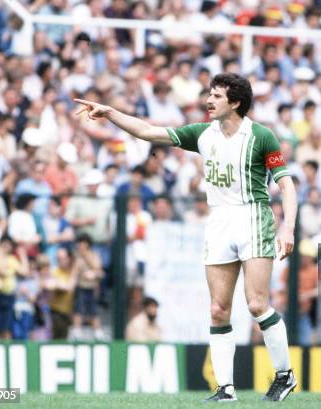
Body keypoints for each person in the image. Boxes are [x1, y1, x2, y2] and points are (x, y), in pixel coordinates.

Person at [75, 72, 298, 402]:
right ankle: (225, 389)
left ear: (235, 102)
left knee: (255, 304)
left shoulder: (261, 137)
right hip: (219, 220)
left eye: (217, 95)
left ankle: (285, 374)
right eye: (209, 93)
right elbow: (149, 132)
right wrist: (110, 113)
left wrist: (288, 226)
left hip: (253, 216)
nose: (208, 100)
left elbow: (286, 184)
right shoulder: (202, 134)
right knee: (218, 309)